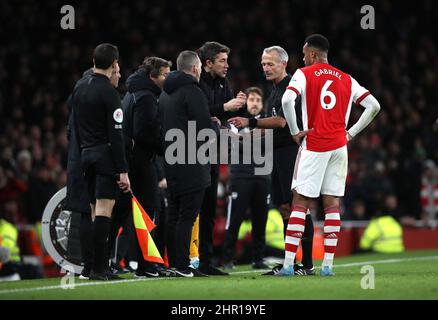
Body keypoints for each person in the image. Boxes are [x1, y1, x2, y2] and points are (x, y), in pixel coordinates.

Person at [279, 34, 381, 276]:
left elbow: (286, 100)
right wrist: (351, 133)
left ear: (313, 54)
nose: (303, 60)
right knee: (332, 203)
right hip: (339, 145)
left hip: (314, 143)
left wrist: (295, 132)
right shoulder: (347, 78)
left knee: (301, 202)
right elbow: (374, 106)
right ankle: (327, 266)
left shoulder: (304, 74)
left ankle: (287, 265)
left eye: (304, 55)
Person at [228, 46, 315, 275]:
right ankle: (289, 263)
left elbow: (281, 122)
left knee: (298, 208)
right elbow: (270, 128)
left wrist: (251, 123)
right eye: (264, 64)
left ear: (283, 64)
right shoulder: (274, 90)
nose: (266, 68)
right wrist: (241, 135)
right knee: (285, 208)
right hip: (276, 155)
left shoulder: (289, 88)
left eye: (270, 64)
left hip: (290, 153)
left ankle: (306, 264)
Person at [72, 43, 131, 281]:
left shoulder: (79, 86)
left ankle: (89, 266)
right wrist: (123, 170)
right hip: (104, 157)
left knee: (93, 211)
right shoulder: (109, 93)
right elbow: (116, 135)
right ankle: (100, 268)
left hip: (85, 154)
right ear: (114, 63)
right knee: (105, 210)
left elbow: (74, 125)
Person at [115, 56, 171, 278]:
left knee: (130, 212)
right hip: (140, 162)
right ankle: (145, 264)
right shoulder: (147, 97)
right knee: (148, 211)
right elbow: (143, 133)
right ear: (153, 76)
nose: (169, 78)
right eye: (165, 74)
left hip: (131, 161)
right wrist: (165, 147)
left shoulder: (132, 92)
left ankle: (138, 262)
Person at [65, 66, 121, 280]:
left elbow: (70, 133)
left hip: (78, 161)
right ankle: (96, 266)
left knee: (86, 213)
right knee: (96, 212)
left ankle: (89, 267)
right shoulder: (94, 105)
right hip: (92, 160)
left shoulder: (77, 105)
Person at [159, 51, 212, 277]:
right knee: (187, 215)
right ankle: (182, 265)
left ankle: (174, 263)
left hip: (172, 160)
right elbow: (204, 130)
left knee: (174, 214)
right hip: (191, 160)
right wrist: (216, 128)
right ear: (194, 68)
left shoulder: (164, 94)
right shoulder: (192, 91)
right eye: (199, 67)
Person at [196, 41, 246, 276]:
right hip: (190, 152)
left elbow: (223, 114)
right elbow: (200, 112)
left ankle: (205, 263)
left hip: (213, 152)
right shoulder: (195, 83)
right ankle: (182, 262)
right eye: (222, 61)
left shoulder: (223, 83)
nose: (227, 65)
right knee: (189, 210)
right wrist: (224, 107)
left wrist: (237, 107)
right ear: (208, 63)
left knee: (208, 209)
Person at [222, 87, 270, 270]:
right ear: (246, 102)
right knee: (234, 219)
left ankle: (258, 259)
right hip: (240, 176)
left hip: (263, 177)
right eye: (252, 99)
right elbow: (231, 143)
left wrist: (241, 141)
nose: (255, 103)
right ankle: (227, 259)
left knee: (261, 220)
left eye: (258, 100)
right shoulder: (235, 122)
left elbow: (265, 145)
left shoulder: (267, 123)